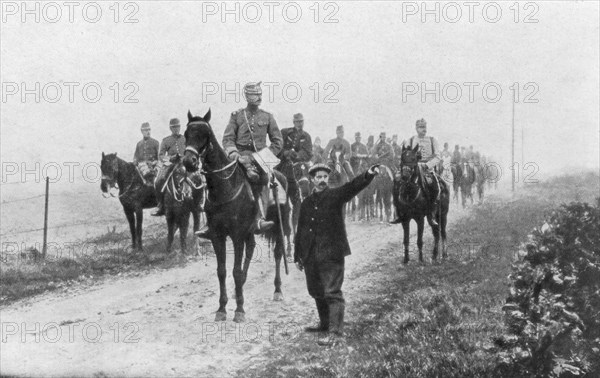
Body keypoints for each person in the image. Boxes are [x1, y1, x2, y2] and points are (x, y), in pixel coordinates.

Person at [294, 162, 380, 346]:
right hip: (311, 255)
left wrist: (369, 173)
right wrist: (297, 255)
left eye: (325, 177)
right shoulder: (306, 203)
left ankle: (336, 332)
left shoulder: (335, 196)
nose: (322, 180)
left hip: (332, 253)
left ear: (328, 178)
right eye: (318, 177)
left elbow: (352, 187)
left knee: (332, 292)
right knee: (316, 291)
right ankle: (325, 324)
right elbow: (300, 229)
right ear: (312, 179)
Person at [196, 81, 283, 238]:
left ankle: (259, 218)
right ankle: (211, 222)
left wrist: (263, 157)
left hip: (260, 159)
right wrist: (236, 156)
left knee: (261, 179)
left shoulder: (268, 117)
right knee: (215, 179)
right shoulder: (236, 116)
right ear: (247, 96)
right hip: (239, 158)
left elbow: (278, 142)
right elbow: (228, 139)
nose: (258, 97)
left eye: (260, 94)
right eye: (254, 94)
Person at [390, 118, 442, 226]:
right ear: (416, 128)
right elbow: (405, 155)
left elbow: (438, 157)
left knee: (435, 186)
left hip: (427, 169)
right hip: (411, 170)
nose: (424, 129)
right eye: (421, 127)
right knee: (397, 181)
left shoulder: (432, 140)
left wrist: (427, 165)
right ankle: (398, 212)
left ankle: (431, 213)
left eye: (425, 127)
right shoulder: (411, 140)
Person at [275, 113, 313, 228]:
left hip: (298, 165)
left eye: (301, 121)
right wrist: (285, 153)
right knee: (272, 180)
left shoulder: (306, 136)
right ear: (293, 122)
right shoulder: (285, 132)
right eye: (297, 121)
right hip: (283, 164)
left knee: (307, 184)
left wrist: (298, 155)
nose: (299, 124)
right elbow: (277, 147)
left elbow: (309, 153)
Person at [152, 118, 187, 216]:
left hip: (184, 164)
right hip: (172, 165)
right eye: (174, 127)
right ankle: (161, 205)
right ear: (170, 128)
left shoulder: (185, 139)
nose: (176, 129)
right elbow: (161, 155)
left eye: (178, 127)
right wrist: (171, 158)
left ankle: (201, 202)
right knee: (158, 180)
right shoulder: (166, 140)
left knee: (199, 177)